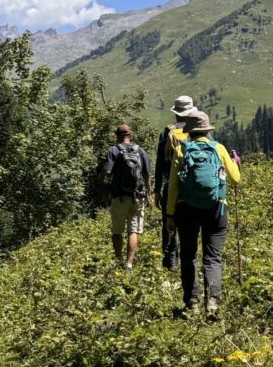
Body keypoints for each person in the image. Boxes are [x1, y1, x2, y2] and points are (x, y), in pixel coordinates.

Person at [165, 111, 241, 315]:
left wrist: (170, 214)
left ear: (189, 131)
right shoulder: (219, 148)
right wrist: (234, 163)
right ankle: (212, 303)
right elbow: (235, 179)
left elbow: (173, 187)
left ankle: (192, 303)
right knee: (213, 257)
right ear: (207, 130)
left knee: (188, 255)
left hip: (186, 209)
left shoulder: (181, 151)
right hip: (216, 208)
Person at [101, 124, 153, 270]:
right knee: (133, 230)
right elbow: (147, 175)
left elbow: (108, 172)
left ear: (117, 136)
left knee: (117, 231)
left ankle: (118, 261)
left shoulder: (113, 150)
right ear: (131, 135)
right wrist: (149, 194)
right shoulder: (140, 150)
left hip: (119, 196)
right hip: (138, 196)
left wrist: (104, 173)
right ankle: (129, 263)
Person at [154, 96, 196, 270]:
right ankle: (190, 261)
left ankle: (170, 262)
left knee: (169, 223)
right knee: (190, 225)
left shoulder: (167, 132)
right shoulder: (197, 130)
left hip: (170, 184)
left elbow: (160, 163)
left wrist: (157, 190)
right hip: (192, 186)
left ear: (176, 113)